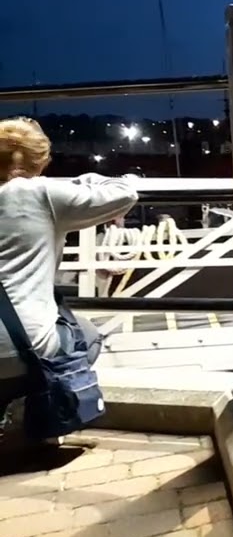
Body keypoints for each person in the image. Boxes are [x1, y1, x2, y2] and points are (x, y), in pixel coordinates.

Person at [0, 117, 138, 452]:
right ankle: (46, 425)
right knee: (86, 336)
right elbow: (124, 195)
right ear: (42, 162)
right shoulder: (40, 192)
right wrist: (87, 178)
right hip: (19, 352)